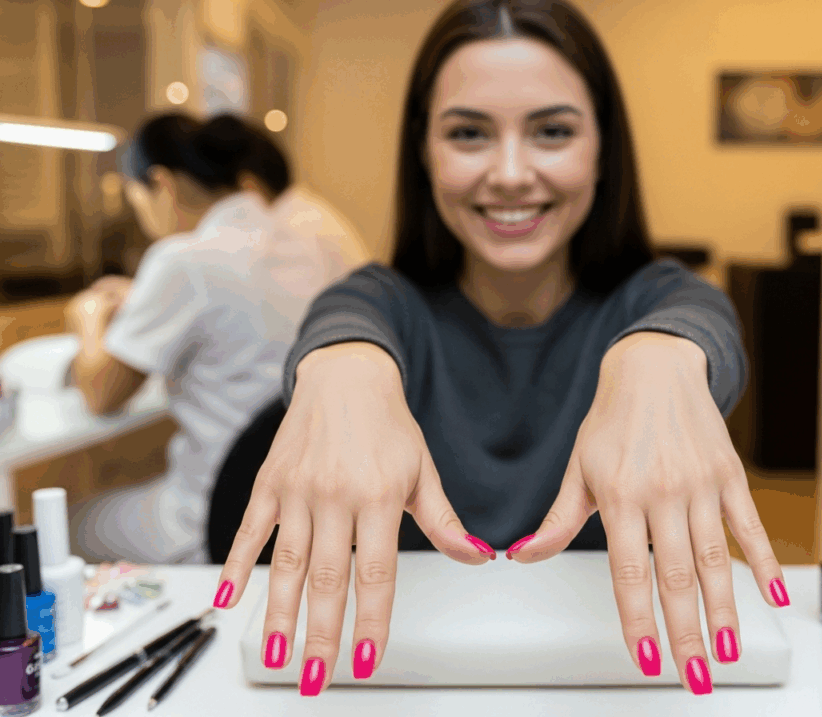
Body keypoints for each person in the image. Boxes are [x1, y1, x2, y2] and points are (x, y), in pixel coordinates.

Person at [214, 0, 787, 698]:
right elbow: (344, 322)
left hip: (607, 690)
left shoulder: (657, 294)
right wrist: (341, 369)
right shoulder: (382, 299)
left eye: (551, 131)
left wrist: (663, 357)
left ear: (602, 149)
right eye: (468, 133)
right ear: (424, 152)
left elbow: (701, 319)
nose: (511, 173)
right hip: (415, 686)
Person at [65, 112, 366, 565]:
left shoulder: (182, 260)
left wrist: (87, 318)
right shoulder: (307, 244)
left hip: (213, 516)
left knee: (60, 527)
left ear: (161, 185)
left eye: (137, 200)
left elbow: (101, 394)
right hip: (310, 508)